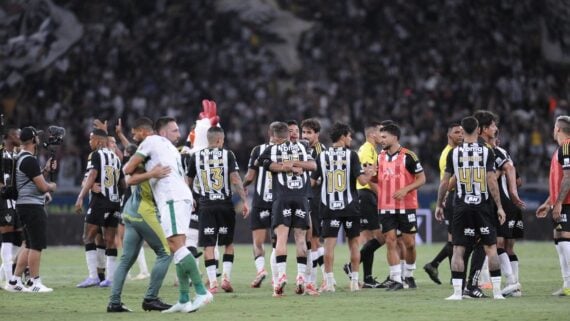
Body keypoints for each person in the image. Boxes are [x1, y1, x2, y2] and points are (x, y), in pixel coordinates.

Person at [123, 117, 212, 313]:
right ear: (163, 133)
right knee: (177, 247)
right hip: (181, 197)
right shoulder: (169, 149)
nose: (179, 134)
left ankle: (202, 292)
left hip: (171, 198)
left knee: (175, 245)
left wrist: (148, 173)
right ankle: (183, 299)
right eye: (175, 130)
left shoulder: (151, 141)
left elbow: (128, 170)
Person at [435, 116, 506, 300]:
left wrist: (439, 204)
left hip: (461, 206)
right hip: (482, 206)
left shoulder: (454, 153)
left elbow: (445, 182)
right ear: (477, 130)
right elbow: (491, 180)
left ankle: (457, 293)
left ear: (463, 131)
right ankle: (497, 292)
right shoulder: (487, 151)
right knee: (490, 248)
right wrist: (499, 206)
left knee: (458, 249)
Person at [311, 122, 375, 292]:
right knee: (354, 244)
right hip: (350, 206)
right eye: (349, 136)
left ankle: (329, 282)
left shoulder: (322, 156)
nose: (351, 139)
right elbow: (362, 181)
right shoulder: (352, 156)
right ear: (342, 136)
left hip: (328, 206)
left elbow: (312, 182)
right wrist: (369, 173)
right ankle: (354, 281)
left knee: (329, 245)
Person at [257, 121, 316, 297]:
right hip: (301, 198)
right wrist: (295, 165)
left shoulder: (271, 149)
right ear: (289, 134)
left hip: (281, 198)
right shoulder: (302, 147)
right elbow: (313, 166)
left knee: (281, 238)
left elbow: (265, 164)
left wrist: (285, 165)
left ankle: (282, 275)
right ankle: (300, 278)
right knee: (301, 239)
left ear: (273, 135)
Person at [187, 126, 248, 293]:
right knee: (227, 243)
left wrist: (190, 198)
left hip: (205, 205)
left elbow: (188, 180)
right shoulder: (228, 154)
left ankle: (213, 283)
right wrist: (244, 200)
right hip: (224, 205)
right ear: (220, 140)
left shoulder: (196, 156)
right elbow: (235, 178)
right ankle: (226, 279)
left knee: (208, 245)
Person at [107, 162, 173, 312]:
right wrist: (152, 174)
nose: (177, 136)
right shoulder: (153, 157)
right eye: (174, 135)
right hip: (144, 211)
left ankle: (114, 303)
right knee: (166, 252)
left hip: (131, 210)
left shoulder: (151, 156)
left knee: (126, 259)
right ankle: (151, 298)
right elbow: (129, 178)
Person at [6, 126, 57, 292]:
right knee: (36, 245)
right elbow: (42, 187)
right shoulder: (29, 160)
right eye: (37, 137)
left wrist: (46, 171)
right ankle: (35, 283)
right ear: (33, 140)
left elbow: (31, 180)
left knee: (28, 244)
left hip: (24, 204)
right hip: (32, 206)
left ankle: (14, 281)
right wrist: (52, 186)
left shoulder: (22, 158)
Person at [376, 123, 426, 290]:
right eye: (380, 137)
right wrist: (370, 176)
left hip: (406, 205)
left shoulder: (408, 156)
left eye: (384, 137)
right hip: (385, 205)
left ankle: (409, 274)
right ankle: (396, 279)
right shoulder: (380, 156)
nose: (381, 140)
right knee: (390, 241)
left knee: (409, 243)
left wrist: (406, 189)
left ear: (395, 137)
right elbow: (380, 177)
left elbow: (421, 179)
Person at [75, 129, 123, 288]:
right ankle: (110, 278)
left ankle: (93, 277)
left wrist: (81, 196)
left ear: (98, 140)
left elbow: (92, 175)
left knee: (88, 237)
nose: (90, 142)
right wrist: (120, 200)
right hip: (114, 201)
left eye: (91, 139)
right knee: (110, 240)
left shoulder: (96, 155)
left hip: (100, 201)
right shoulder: (116, 157)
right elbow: (123, 183)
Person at [343, 121, 386, 288]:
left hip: (364, 195)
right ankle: (351, 265)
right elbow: (367, 181)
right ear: (372, 134)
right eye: (380, 132)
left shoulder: (370, 150)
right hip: (365, 195)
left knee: (369, 239)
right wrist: (383, 196)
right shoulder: (367, 151)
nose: (383, 136)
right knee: (380, 238)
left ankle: (367, 278)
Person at [424, 122, 463, 285]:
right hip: (452, 199)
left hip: (452, 198)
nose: (460, 135)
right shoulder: (449, 153)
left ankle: (436, 266)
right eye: (456, 132)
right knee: (456, 241)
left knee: (454, 241)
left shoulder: (454, 152)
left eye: (461, 132)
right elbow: (449, 179)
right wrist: (444, 198)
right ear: (449, 135)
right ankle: (452, 275)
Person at [536, 115, 570, 297]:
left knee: (564, 236)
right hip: (561, 202)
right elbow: (559, 182)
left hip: (567, 203)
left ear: (558, 128)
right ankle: (567, 285)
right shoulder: (560, 149)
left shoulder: (566, 146)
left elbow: (568, 177)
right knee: (559, 236)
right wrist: (549, 202)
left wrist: (557, 204)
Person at [243, 123, 276, 288]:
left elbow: (249, 176)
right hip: (279, 201)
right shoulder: (287, 150)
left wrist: (243, 186)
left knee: (258, 242)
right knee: (278, 242)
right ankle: (277, 275)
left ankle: (261, 270)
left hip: (261, 201)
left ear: (269, 132)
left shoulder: (258, 150)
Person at [300, 118, 326, 290]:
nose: (306, 135)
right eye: (304, 132)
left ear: (317, 134)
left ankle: (319, 279)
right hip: (308, 198)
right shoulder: (303, 149)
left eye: (309, 132)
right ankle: (322, 277)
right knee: (311, 239)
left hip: (316, 199)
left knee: (314, 239)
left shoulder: (320, 151)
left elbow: (314, 181)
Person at [0, 127, 23, 288]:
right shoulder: (2, 154)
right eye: (16, 134)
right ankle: (10, 281)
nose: (19, 137)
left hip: (15, 201)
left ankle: (5, 277)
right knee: (7, 238)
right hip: (3, 200)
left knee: (17, 239)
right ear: (8, 137)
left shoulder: (15, 155)